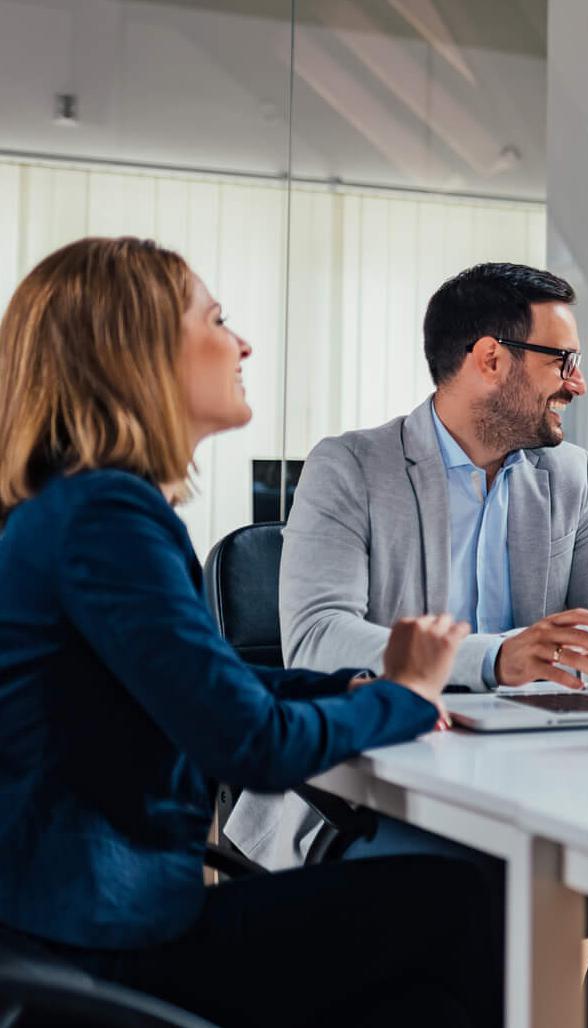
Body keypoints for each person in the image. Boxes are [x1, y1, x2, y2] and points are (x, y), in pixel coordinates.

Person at [0, 236, 496, 1027]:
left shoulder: (75, 509)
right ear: (136, 350)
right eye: (218, 318)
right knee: (467, 905)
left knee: (431, 957)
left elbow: (208, 685)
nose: (243, 342)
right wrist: (404, 696)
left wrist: (350, 687)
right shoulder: (105, 518)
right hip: (109, 945)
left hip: (70, 929)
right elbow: (248, 744)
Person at [224, 262, 588, 1027]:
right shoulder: (349, 466)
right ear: (489, 360)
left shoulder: (567, 475)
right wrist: (497, 656)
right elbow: (316, 640)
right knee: (483, 902)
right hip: (370, 805)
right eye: (561, 361)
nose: (576, 384)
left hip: (533, 785)